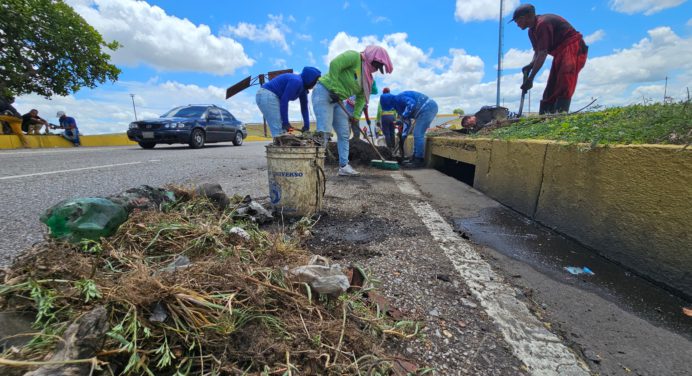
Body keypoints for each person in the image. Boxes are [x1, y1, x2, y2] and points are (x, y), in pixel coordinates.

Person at [312, 45, 393, 176]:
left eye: (379, 67)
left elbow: (361, 98)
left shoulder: (368, 79)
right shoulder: (354, 57)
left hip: (339, 100)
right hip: (325, 91)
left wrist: (355, 116)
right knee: (324, 130)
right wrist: (333, 88)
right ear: (372, 56)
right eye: (377, 64)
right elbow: (334, 65)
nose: (376, 68)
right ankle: (315, 167)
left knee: (344, 134)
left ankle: (344, 166)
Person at [510, 3, 588, 114]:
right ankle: (545, 115)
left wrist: (531, 78)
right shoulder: (531, 31)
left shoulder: (543, 23)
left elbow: (543, 53)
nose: (517, 24)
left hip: (573, 46)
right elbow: (537, 52)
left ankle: (561, 113)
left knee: (564, 80)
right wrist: (530, 65)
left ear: (524, 18)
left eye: (517, 21)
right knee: (552, 84)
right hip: (560, 52)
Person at [256, 66, 321, 137]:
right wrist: (286, 122)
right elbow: (284, 101)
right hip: (267, 95)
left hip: (271, 96)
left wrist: (306, 126)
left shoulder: (303, 89)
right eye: (315, 81)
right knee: (279, 131)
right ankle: (280, 145)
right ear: (310, 79)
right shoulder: (296, 81)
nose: (315, 84)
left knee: (282, 132)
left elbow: (304, 108)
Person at [379, 90, 438, 168]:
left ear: (389, 102)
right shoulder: (397, 107)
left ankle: (418, 160)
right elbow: (407, 122)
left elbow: (411, 104)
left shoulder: (400, 97)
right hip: (423, 111)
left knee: (418, 133)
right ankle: (414, 157)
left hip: (428, 107)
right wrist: (403, 135)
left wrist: (403, 116)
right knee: (416, 134)